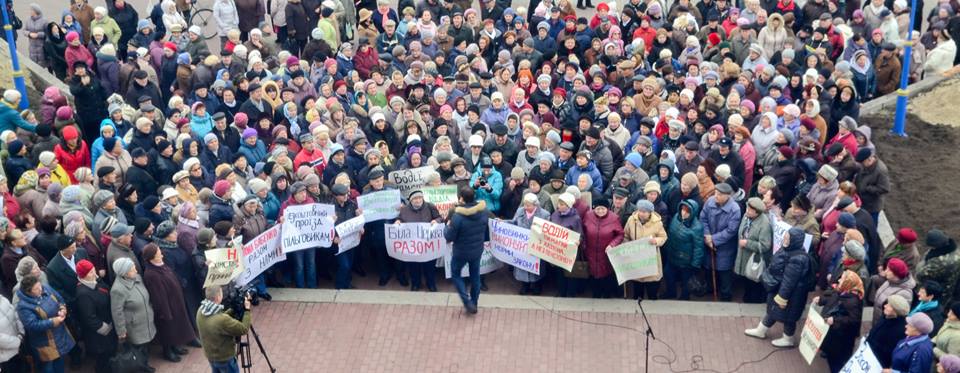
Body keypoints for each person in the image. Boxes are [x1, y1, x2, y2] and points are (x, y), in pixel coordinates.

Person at [744, 228, 812, 348]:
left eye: (787, 238)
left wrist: (782, 298)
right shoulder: (789, 250)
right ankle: (761, 330)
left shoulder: (797, 259)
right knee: (773, 310)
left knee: (789, 317)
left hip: (790, 294)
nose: (784, 240)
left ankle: (788, 339)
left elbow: (789, 281)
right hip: (780, 289)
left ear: (794, 240)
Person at [140, 244, 196, 362]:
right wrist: (165, 311)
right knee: (167, 330)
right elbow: (158, 295)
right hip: (166, 307)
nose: (161, 253)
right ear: (152, 257)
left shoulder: (162, 265)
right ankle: (168, 350)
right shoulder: (151, 274)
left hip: (175, 302)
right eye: (158, 252)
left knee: (175, 327)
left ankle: (175, 346)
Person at [15, 275, 75, 373]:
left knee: (59, 360)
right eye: (36, 289)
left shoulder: (45, 287)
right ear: (28, 291)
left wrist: (62, 309)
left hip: (58, 334)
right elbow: (32, 325)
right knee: (48, 367)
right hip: (44, 342)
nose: (41, 289)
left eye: (40, 286)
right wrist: (53, 321)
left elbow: (59, 298)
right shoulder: (23, 306)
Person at [444, 186, 490, 314]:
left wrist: (446, 226)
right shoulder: (484, 211)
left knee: (456, 274)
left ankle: (466, 301)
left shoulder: (457, 217)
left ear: (462, 199)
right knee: (475, 275)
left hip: (461, 252)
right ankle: (474, 302)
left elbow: (449, 236)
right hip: (477, 250)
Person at [109, 257, 157, 372]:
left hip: (146, 321)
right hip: (135, 326)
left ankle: (144, 365)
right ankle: (142, 367)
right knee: (139, 349)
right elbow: (117, 312)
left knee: (145, 347)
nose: (136, 270)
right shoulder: (117, 290)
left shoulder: (138, 278)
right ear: (124, 273)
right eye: (132, 269)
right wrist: (121, 331)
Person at [814, 270, 865, 372]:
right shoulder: (843, 290)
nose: (839, 280)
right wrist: (821, 300)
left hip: (841, 339)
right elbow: (833, 300)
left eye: (842, 278)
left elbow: (854, 320)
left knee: (836, 362)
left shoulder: (853, 301)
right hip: (835, 334)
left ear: (848, 283)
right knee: (832, 358)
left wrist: (835, 320)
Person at [73, 259, 117, 373]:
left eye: (93, 270)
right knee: (103, 358)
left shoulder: (95, 281)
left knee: (110, 353)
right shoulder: (83, 294)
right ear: (84, 275)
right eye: (91, 272)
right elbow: (89, 317)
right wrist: (105, 328)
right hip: (100, 333)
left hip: (108, 325)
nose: (95, 273)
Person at [700, 183, 742, 301]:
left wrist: (713, 239)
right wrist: (707, 235)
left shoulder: (735, 209)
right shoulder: (710, 202)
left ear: (727, 196)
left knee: (725, 273)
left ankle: (726, 295)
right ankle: (709, 288)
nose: (716, 196)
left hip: (725, 247)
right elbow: (703, 218)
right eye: (716, 193)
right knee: (708, 268)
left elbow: (731, 231)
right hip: (708, 242)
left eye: (719, 194)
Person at [196, 285, 252, 373]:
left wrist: (232, 310)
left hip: (211, 356)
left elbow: (218, 318)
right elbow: (244, 329)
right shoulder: (222, 320)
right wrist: (247, 310)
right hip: (225, 359)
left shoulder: (201, 310)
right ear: (218, 297)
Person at [396, 190, 441, 292]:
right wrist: (398, 221)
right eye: (415, 198)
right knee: (413, 266)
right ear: (411, 200)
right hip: (412, 244)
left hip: (428, 243)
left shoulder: (430, 206)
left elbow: (439, 218)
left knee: (429, 265)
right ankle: (416, 283)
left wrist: (436, 221)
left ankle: (431, 284)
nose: (418, 200)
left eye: (420, 198)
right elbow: (400, 219)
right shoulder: (405, 210)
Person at [581, 197, 624, 298]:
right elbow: (583, 230)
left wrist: (612, 245)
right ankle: (596, 294)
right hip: (590, 252)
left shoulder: (614, 218)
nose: (600, 211)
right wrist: (582, 243)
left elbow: (620, 234)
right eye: (598, 209)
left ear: (607, 209)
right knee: (593, 274)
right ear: (594, 208)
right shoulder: (588, 215)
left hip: (606, 254)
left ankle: (606, 294)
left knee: (606, 275)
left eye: (603, 209)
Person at [867, 294, 910, 369]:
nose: (885, 306)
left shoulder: (900, 330)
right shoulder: (886, 317)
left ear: (896, 310)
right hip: (868, 355)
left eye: (889, 305)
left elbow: (889, 352)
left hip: (877, 364)